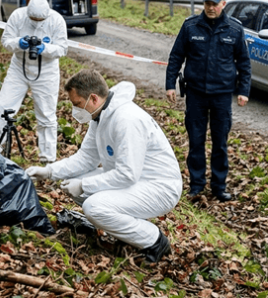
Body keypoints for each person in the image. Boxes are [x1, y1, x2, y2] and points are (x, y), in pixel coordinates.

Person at [25, 70, 182, 263]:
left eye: (77, 104)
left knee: (94, 207)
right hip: (135, 180)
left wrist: (84, 185)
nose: (75, 110)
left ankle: (154, 240)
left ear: (93, 98)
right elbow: (85, 159)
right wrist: (48, 171)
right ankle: (126, 228)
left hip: (159, 187)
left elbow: (127, 174)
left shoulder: (126, 120)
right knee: (72, 183)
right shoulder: (100, 116)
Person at [165, 0, 251, 202]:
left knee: (220, 142)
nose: (210, 8)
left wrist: (243, 91)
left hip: (222, 95)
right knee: (196, 140)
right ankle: (196, 185)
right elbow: (176, 57)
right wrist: (170, 85)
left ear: (223, 4)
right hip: (196, 94)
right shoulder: (191, 27)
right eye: (207, 3)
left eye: (214, 4)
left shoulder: (234, 29)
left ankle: (219, 187)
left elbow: (244, 63)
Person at [0, 0, 68, 162]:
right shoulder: (17, 16)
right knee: (2, 108)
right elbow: (5, 40)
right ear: (27, 12)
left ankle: (48, 159)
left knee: (46, 114)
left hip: (46, 72)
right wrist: (18, 43)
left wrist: (44, 48)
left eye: (40, 19)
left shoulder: (57, 21)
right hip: (18, 69)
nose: (36, 22)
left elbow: (62, 49)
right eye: (33, 19)